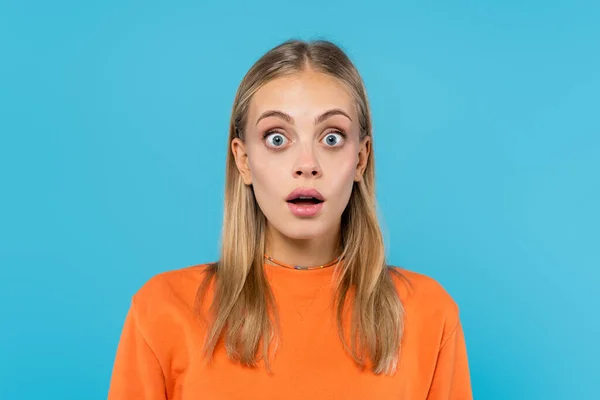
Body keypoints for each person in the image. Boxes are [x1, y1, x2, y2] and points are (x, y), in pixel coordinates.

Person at [108, 39, 473, 399]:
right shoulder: (162, 310)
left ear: (361, 159)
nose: (307, 165)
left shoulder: (429, 314)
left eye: (331, 138)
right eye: (277, 138)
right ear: (243, 160)